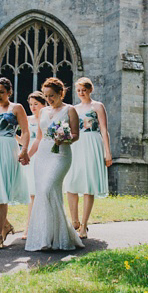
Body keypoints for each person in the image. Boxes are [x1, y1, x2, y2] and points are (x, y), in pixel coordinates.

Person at [24, 78, 85, 252]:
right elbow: (38, 138)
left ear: (60, 93)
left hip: (61, 155)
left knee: (48, 188)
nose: (49, 99)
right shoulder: (43, 112)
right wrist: (28, 155)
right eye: (46, 96)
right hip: (43, 154)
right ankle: (47, 237)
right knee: (44, 193)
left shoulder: (70, 110)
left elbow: (76, 135)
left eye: (52, 95)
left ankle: (60, 235)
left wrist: (63, 138)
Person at [0, 77, 30, 250]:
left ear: (9, 92)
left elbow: (25, 131)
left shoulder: (16, 108)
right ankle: (6, 225)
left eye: (2, 92)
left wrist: (24, 150)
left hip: (8, 148)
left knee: (1, 192)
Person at [65, 77, 112, 239]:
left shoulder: (97, 106)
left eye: (84, 90)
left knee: (88, 183)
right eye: (78, 91)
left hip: (92, 142)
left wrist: (107, 152)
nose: (81, 93)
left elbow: (104, 130)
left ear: (90, 90)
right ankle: (75, 221)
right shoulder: (73, 108)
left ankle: (84, 225)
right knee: (71, 182)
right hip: (76, 144)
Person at [19, 91, 46, 240]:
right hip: (30, 157)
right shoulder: (27, 120)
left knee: (40, 194)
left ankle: (36, 227)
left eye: (36, 104)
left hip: (42, 156)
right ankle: (28, 228)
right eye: (30, 104)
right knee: (32, 194)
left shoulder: (46, 118)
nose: (33, 107)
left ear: (43, 104)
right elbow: (24, 139)